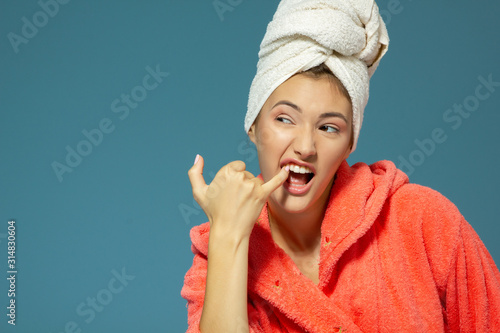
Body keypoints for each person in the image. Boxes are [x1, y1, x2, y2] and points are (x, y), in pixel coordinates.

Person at [181, 0, 500, 332]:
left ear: (350, 143)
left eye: (328, 127)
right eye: (285, 119)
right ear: (253, 126)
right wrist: (230, 234)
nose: (305, 147)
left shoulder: (424, 221)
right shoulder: (217, 252)